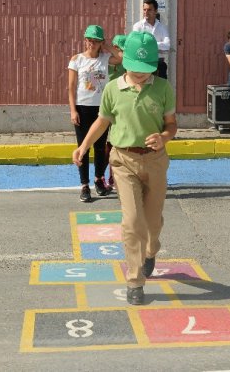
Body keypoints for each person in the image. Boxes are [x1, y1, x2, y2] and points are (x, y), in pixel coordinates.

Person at [72, 31, 177, 306]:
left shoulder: (163, 88)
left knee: (152, 224)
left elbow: (171, 124)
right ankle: (135, 280)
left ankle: (152, 250)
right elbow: (102, 122)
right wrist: (83, 147)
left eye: (146, 69)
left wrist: (163, 137)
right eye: (135, 68)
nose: (141, 74)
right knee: (132, 222)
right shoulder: (112, 89)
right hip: (123, 160)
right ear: (124, 61)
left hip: (154, 161)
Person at [68, 24, 122, 203]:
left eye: (96, 41)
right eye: (89, 40)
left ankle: (99, 179)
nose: (92, 44)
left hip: (101, 108)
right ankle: (84, 185)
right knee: (83, 147)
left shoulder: (106, 58)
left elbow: (121, 58)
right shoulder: (77, 60)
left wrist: (106, 47)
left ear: (101, 42)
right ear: (84, 40)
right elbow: (71, 87)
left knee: (100, 147)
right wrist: (73, 110)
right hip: (82, 107)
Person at [105, 34, 127, 190]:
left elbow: (121, 57)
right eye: (117, 47)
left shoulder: (125, 63)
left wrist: (109, 47)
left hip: (120, 107)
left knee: (116, 144)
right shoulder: (105, 60)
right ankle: (104, 175)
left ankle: (113, 177)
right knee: (106, 146)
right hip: (105, 105)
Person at [132, 0, 171, 79]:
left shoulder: (162, 27)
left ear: (156, 11)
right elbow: (137, 45)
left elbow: (167, 46)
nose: (146, 12)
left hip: (158, 64)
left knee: (160, 89)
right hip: (142, 64)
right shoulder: (137, 26)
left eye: (149, 10)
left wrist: (148, 44)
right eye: (144, 9)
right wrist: (158, 46)